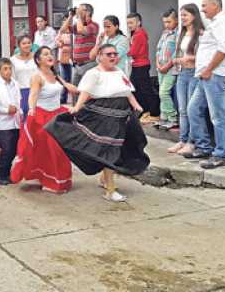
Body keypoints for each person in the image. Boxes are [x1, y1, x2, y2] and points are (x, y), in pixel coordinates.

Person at [45, 44, 149, 202]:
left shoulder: (119, 71)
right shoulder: (93, 73)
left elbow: (126, 91)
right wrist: (77, 107)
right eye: (109, 54)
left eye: (115, 54)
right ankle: (110, 190)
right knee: (109, 152)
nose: (113, 57)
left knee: (116, 149)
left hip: (120, 116)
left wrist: (135, 105)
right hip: (103, 117)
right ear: (99, 56)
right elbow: (85, 92)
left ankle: (104, 179)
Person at [11, 47, 76, 193]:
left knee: (61, 149)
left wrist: (88, 92)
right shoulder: (37, 76)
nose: (50, 56)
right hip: (42, 116)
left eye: (50, 54)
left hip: (57, 114)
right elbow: (33, 95)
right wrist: (32, 109)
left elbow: (69, 87)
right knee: (50, 149)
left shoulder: (55, 74)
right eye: (45, 54)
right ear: (39, 60)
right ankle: (49, 181)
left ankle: (60, 180)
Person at [183, 0, 225, 169]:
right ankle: (204, 146)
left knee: (218, 116)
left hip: (216, 75)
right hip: (206, 75)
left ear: (215, 5)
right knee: (193, 109)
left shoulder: (222, 22)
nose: (202, 9)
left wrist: (209, 69)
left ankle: (221, 154)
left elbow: (223, 48)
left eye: (204, 6)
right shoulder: (214, 24)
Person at [169, 3, 203, 155]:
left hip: (194, 73)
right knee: (182, 110)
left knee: (191, 109)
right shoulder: (181, 33)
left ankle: (191, 142)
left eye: (185, 15)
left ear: (194, 16)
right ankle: (182, 140)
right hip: (182, 73)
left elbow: (204, 57)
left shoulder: (201, 33)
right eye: (181, 15)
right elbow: (178, 53)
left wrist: (189, 58)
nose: (182, 18)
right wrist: (177, 60)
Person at [0, 58, 22, 185]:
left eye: (9, 69)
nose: (8, 72)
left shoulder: (15, 83)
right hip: (2, 123)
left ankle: (7, 173)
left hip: (16, 121)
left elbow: (18, 99)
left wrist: (17, 110)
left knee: (13, 149)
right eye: (5, 69)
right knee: (6, 149)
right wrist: (6, 110)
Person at [127, 12, 160, 123]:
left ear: (139, 22)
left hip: (141, 65)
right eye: (128, 23)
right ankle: (145, 111)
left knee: (145, 90)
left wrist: (126, 52)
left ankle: (155, 113)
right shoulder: (136, 34)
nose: (129, 25)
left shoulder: (139, 34)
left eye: (131, 22)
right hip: (138, 65)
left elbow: (133, 52)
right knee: (136, 89)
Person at [61, 4, 99, 97]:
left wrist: (79, 17)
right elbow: (63, 29)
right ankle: (76, 109)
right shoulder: (78, 24)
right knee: (75, 91)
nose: (78, 11)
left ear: (88, 12)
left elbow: (81, 30)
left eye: (81, 9)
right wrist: (71, 16)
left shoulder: (93, 26)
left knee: (88, 92)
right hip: (77, 65)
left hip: (88, 64)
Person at [155, 9, 179, 130]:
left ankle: (173, 118)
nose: (166, 25)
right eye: (164, 22)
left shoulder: (178, 34)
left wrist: (166, 66)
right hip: (161, 68)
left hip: (171, 68)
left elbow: (176, 53)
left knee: (164, 92)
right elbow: (158, 49)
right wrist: (158, 64)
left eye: (169, 22)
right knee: (161, 92)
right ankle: (164, 117)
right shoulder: (165, 33)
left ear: (176, 20)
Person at [11, 35, 38, 116]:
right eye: (24, 43)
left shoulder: (37, 58)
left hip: (37, 91)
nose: (27, 45)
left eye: (29, 43)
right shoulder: (13, 60)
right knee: (24, 118)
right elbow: (12, 79)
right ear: (18, 46)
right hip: (21, 92)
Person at [56, 25, 72, 104]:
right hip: (62, 58)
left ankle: (75, 98)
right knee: (64, 78)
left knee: (72, 79)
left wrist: (64, 42)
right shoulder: (60, 33)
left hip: (72, 59)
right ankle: (63, 97)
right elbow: (58, 43)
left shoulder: (74, 33)